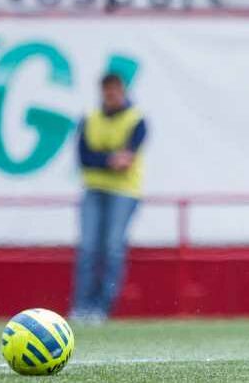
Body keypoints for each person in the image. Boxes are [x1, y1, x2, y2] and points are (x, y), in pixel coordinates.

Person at [70, 72, 147, 324]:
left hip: (124, 191)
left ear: (122, 91)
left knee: (113, 248)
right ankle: (81, 307)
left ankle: (102, 308)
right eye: (107, 91)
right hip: (93, 189)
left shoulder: (136, 120)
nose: (111, 95)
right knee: (88, 249)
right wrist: (110, 160)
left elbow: (126, 161)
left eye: (115, 90)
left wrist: (103, 159)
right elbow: (84, 158)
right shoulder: (90, 118)